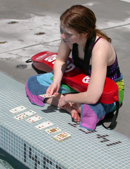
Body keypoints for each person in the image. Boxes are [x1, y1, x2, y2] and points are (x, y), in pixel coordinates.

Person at [26, 5, 124, 131]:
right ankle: (70, 107)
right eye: (61, 30)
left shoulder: (100, 49)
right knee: (34, 83)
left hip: (107, 90)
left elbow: (93, 96)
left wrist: (66, 98)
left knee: (91, 110)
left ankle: (67, 103)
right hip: (80, 81)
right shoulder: (68, 39)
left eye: (68, 33)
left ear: (85, 33)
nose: (63, 36)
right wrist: (56, 81)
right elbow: (61, 60)